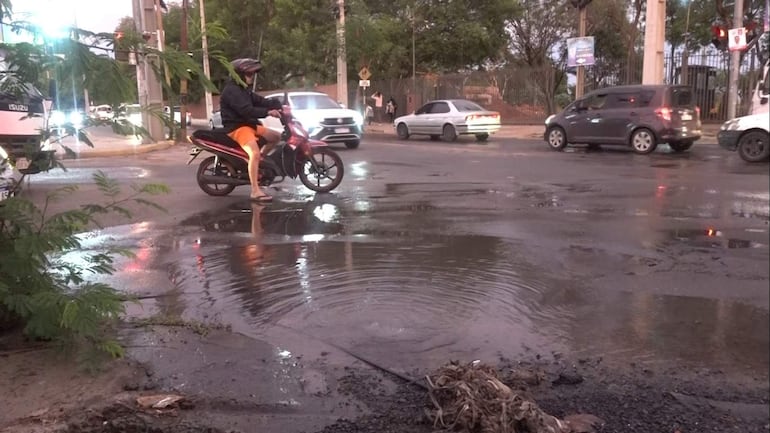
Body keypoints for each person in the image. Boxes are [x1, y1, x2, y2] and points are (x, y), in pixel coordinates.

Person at [219, 58, 282, 202]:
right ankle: (255, 190)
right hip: (237, 127)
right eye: (249, 74)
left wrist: (277, 103)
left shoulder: (243, 89)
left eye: (252, 74)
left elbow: (259, 100)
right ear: (239, 74)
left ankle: (258, 162)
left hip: (248, 125)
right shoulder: (232, 91)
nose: (251, 77)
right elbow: (246, 110)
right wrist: (268, 112)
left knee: (276, 137)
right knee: (254, 152)